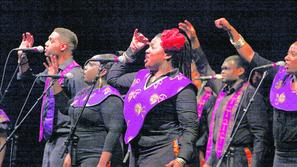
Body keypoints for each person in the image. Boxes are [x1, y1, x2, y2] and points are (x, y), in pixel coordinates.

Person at [178, 20, 270, 167]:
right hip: (218, 156)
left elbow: (260, 135)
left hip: (239, 158)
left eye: (226, 68)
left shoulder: (250, 94)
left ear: (240, 71)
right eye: (222, 68)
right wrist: (194, 40)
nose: (222, 71)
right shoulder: (222, 90)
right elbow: (204, 67)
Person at [107, 28, 199, 167]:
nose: (147, 50)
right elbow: (113, 79)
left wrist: (181, 158)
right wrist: (131, 51)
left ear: (167, 54)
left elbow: (189, 127)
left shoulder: (181, 86)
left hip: (164, 152)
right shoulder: (141, 76)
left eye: (153, 47)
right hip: (137, 151)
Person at [214, 17, 297, 167]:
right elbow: (251, 55)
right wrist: (230, 29)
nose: (286, 57)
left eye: (293, 54)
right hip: (280, 155)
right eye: (287, 53)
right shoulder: (280, 76)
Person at [17, 28, 86, 167]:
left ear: (63, 46)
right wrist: (22, 56)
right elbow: (30, 83)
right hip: (51, 140)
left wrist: (71, 152)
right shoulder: (52, 71)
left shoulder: (76, 75)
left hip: (66, 139)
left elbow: (81, 116)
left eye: (51, 40)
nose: (46, 43)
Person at [59, 54, 125, 167]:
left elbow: (114, 131)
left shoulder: (110, 96)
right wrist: (69, 153)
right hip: (76, 154)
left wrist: (103, 163)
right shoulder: (83, 93)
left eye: (91, 64)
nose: (85, 67)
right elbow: (65, 109)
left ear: (102, 71)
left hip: (95, 156)